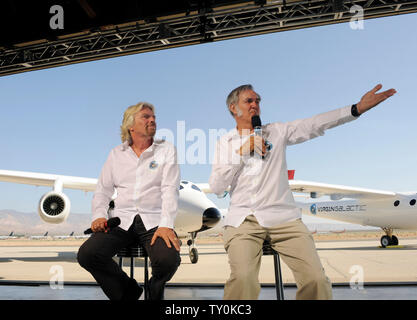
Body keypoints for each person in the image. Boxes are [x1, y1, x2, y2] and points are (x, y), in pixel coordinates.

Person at [209, 84, 396, 300]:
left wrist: (355, 109)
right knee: (243, 279)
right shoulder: (224, 143)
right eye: (248, 101)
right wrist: (242, 151)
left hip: (284, 219)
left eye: (257, 101)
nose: (255, 105)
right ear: (233, 108)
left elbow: (315, 123)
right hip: (244, 221)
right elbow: (217, 187)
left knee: (316, 280)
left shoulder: (276, 131)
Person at [77, 102, 181, 300]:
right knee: (87, 255)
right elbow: (102, 191)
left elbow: (170, 189)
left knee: (168, 260)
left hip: (154, 221)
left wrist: (167, 225)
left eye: (154, 117)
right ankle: (128, 292)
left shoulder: (166, 150)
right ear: (130, 126)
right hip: (122, 220)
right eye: (145, 116)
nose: (152, 120)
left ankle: (153, 291)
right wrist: (99, 216)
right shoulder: (116, 154)